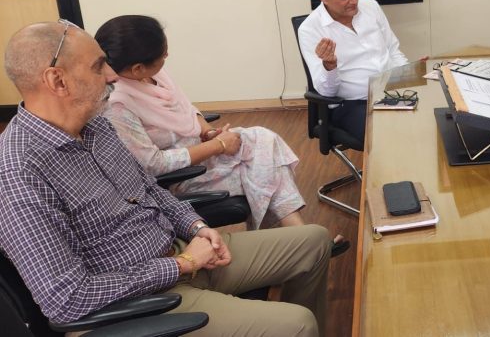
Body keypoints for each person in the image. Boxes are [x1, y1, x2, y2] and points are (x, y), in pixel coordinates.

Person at [0, 21, 330, 335]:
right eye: (99, 66)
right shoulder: (19, 172)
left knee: (314, 241)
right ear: (58, 81)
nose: (112, 75)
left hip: (179, 253)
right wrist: (182, 265)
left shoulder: (95, 125)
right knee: (298, 324)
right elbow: (67, 299)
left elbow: (149, 188)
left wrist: (196, 227)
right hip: (138, 301)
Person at [94, 15, 349, 256]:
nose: (167, 56)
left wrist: (207, 131)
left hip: (203, 151)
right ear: (137, 68)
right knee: (267, 168)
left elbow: (188, 109)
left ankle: (290, 244)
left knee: (264, 140)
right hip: (184, 176)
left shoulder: (153, 76)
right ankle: (300, 241)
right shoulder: (118, 106)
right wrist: (217, 146)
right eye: (162, 55)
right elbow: (154, 164)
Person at [298, 0, 409, 143]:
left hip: (390, 90)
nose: (354, 0)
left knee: (429, 118)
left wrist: (409, 75)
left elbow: (393, 50)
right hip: (352, 104)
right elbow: (326, 92)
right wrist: (330, 66)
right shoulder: (310, 30)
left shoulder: (371, 6)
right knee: (390, 136)